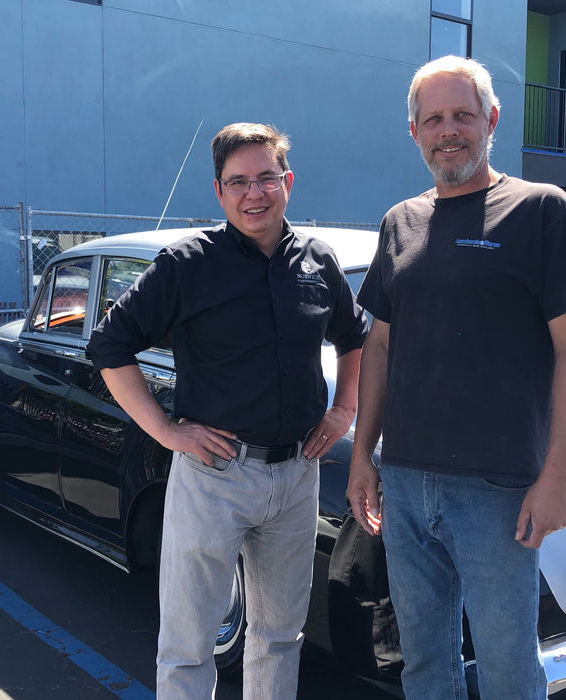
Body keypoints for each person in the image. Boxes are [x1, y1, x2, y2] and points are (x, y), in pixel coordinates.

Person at [347, 56, 566, 700]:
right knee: (424, 662)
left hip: (496, 488)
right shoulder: (399, 222)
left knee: (507, 669)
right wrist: (361, 454)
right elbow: (379, 346)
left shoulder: (540, 210)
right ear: (414, 131)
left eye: (463, 115)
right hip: (405, 482)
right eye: (433, 119)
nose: (448, 131)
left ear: (491, 119)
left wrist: (556, 478)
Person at [87, 122, 367, 699]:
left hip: (296, 478)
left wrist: (343, 410)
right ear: (219, 192)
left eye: (266, 178)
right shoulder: (187, 264)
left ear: (287, 181)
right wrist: (165, 430)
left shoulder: (317, 260)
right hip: (214, 477)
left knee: (280, 635)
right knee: (189, 645)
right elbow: (109, 345)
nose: (254, 193)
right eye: (238, 182)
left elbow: (356, 337)